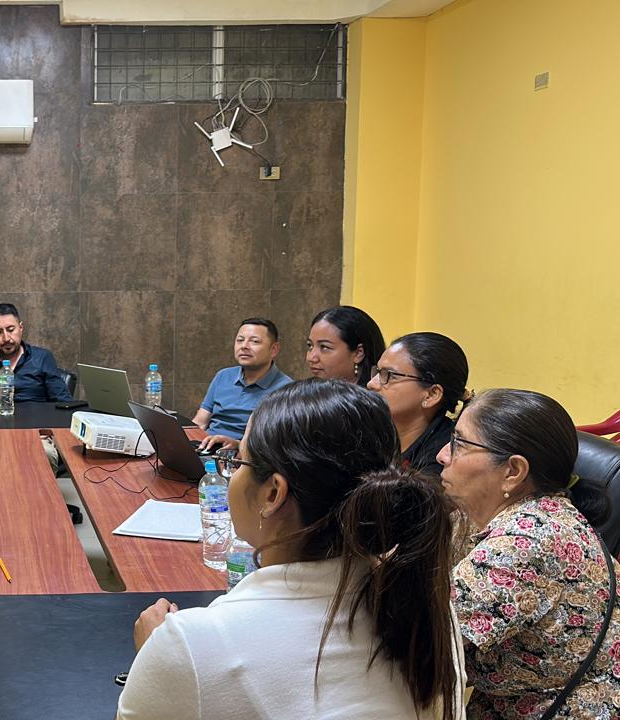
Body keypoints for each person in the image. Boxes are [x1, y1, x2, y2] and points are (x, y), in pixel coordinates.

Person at [118, 380, 464, 720]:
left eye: (238, 461)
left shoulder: (192, 645)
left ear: (272, 494)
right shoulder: (425, 610)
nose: (231, 474)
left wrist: (155, 657)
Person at [438, 389, 620, 719]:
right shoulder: (479, 511)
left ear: (513, 471)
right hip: (512, 697)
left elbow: (424, 635)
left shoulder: (527, 540)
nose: (442, 455)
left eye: (459, 443)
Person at [367, 331, 470, 475]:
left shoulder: (443, 460)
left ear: (431, 395)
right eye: (378, 372)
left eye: (389, 375)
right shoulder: (371, 433)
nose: (371, 384)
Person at [193, 317, 293, 453]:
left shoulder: (286, 390)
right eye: (240, 340)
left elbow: (276, 444)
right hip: (207, 448)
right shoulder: (223, 376)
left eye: (254, 341)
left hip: (246, 457)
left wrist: (238, 445)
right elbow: (200, 422)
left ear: (274, 349)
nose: (244, 346)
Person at [0, 302, 72, 406]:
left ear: (20, 328)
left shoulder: (42, 358)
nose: (6, 338)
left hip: (35, 419)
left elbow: (64, 402)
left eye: (10, 330)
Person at [306, 305, 385, 386]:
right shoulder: (308, 391)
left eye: (324, 347)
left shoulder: (380, 393)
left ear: (358, 353)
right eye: (310, 346)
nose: (311, 358)